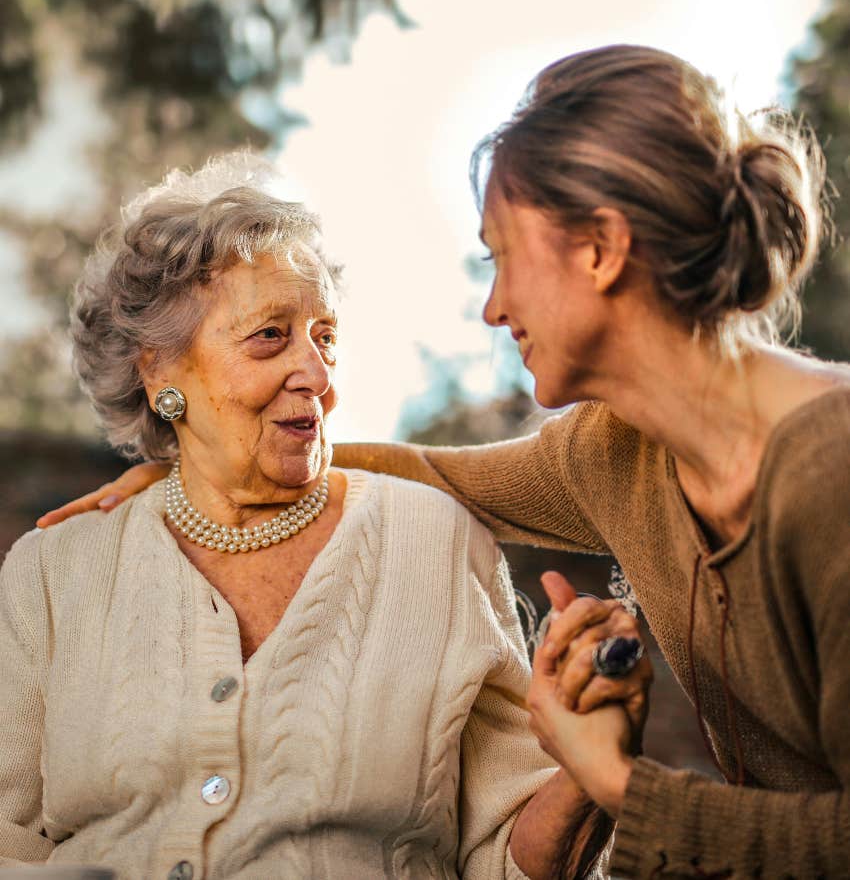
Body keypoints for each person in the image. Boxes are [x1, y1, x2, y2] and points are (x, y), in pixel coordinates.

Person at [53, 44, 850, 878]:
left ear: (601, 250)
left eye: (502, 255)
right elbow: (437, 473)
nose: (494, 306)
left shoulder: (829, 470)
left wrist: (618, 781)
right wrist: (206, 461)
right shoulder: (614, 453)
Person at [2, 153, 628, 879]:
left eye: (324, 336)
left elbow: (504, 859)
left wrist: (590, 775)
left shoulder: (436, 544)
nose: (320, 375)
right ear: (159, 371)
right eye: (270, 335)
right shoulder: (53, 573)